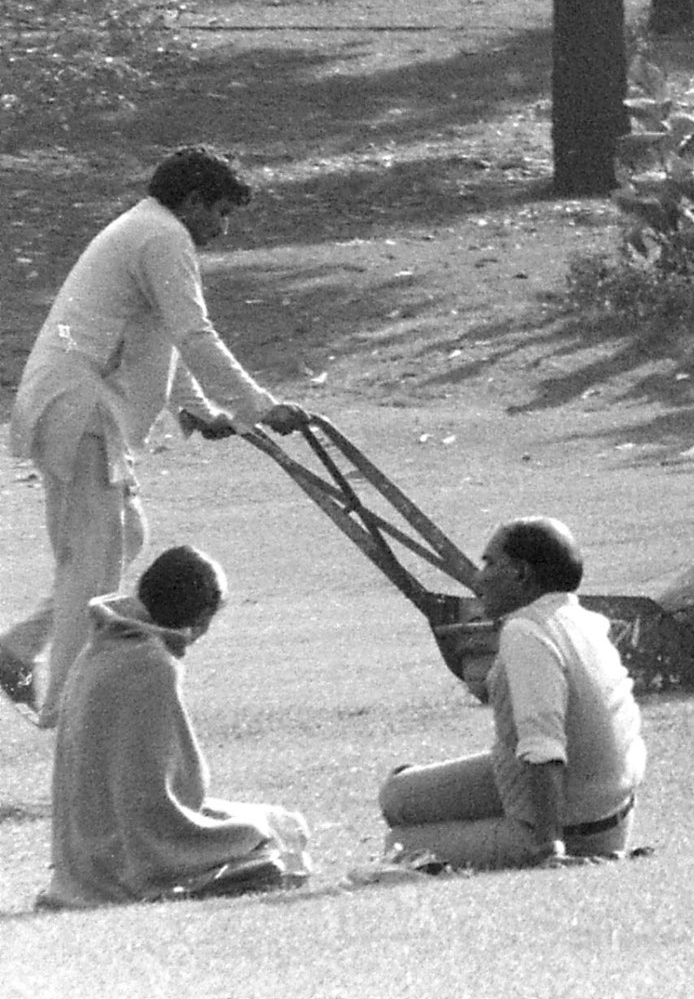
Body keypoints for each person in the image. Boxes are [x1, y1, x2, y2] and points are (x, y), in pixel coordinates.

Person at [1, 146, 310, 728]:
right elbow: (194, 332)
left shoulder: (150, 229)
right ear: (191, 201)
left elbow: (164, 334)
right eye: (218, 212)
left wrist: (197, 408)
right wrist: (259, 408)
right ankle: (67, 711)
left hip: (85, 410)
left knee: (122, 540)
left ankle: (19, 647)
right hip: (82, 409)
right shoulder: (162, 235)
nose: (222, 228)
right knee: (92, 566)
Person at [41, 545, 313, 908]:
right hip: (127, 858)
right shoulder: (151, 663)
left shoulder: (101, 648)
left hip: (83, 855)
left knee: (275, 822)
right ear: (199, 619)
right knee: (274, 835)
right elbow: (174, 792)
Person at [379, 517, 647, 870]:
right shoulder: (583, 620)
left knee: (397, 845)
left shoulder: (526, 632)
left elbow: (544, 749)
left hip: (568, 831)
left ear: (521, 574)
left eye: (490, 563)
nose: (478, 579)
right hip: (611, 817)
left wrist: (549, 847)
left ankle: (536, 839)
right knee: (397, 795)